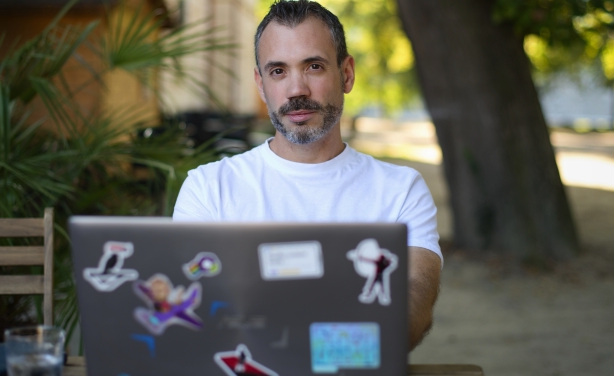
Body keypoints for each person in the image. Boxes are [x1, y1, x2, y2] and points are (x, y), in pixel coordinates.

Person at [173, 0, 441, 350]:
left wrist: (296, 348)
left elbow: (414, 310)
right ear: (260, 83)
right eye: (278, 71)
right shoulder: (208, 188)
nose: (296, 90)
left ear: (346, 74)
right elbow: (191, 310)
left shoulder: (401, 190)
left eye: (313, 66)